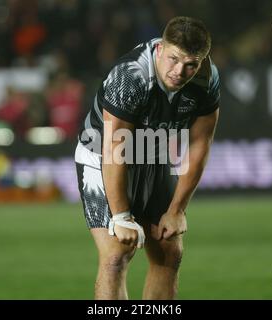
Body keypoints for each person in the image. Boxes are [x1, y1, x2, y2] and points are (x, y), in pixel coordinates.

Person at [75, 16, 220, 299]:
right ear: (161, 48)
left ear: (201, 62)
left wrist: (177, 210)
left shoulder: (207, 80)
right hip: (102, 153)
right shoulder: (131, 76)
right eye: (174, 59)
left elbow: (200, 143)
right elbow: (115, 148)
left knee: (170, 252)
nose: (180, 71)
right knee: (117, 253)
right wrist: (121, 216)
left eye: (191, 63)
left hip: (153, 153)